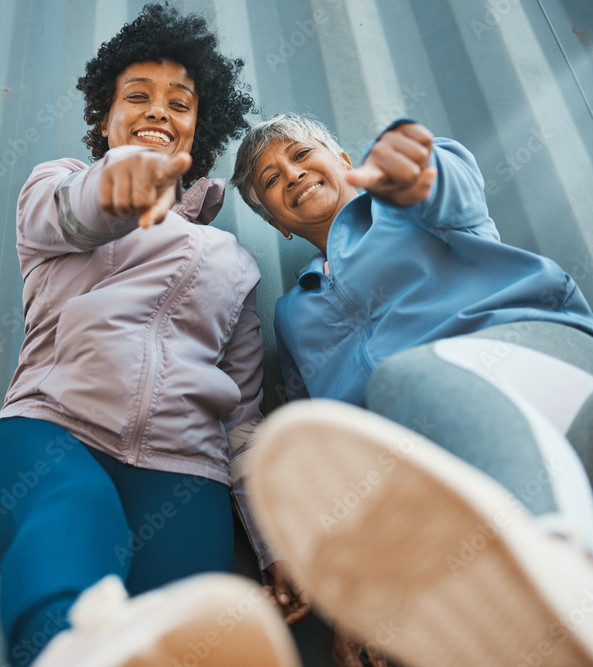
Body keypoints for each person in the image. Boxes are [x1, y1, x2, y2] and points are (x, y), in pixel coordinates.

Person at [0, 6, 305, 666]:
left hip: (184, 476)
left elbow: (242, 422)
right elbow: (76, 209)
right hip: (49, 436)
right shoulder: (58, 185)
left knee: (182, 628)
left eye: (179, 102)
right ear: (105, 118)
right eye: (137, 97)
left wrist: (276, 545)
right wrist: (118, 180)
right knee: (76, 510)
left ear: (198, 125)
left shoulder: (236, 262)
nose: (158, 111)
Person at [231, 113, 593, 666]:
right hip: (439, 466)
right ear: (276, 223)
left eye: (301, 155)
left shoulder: (401, 203)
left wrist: (415, 167)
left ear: (346, 163)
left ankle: (560, 583)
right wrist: (357, 599)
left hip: (536, 369)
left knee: (404, 381)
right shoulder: (291, 313)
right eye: (272, 180)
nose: (292, 174)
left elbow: (450, 183)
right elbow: (333, 446)